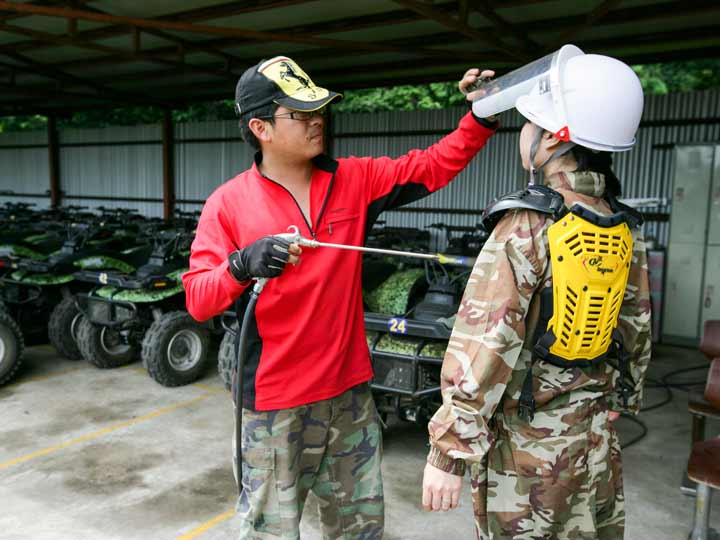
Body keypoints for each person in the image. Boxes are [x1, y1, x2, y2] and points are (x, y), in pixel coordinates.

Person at [182, 55, 498, 539]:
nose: (317, 122)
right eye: (301, 114)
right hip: (273, 406)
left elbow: (432, 166)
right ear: (260, 127)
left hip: (350, 397)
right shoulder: (228, 203)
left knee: (360, 529)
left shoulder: (354, 179)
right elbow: (199, 299)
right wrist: (241, 264)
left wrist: (478, 118)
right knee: (268, 530)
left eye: (319, 111)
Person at [422, 49, 652, 539]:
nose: (523, 135)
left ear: (552, 137)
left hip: (528, 454)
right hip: (594, 440)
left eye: (528, 124)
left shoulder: (527, 223)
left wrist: (449, 450)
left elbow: (486, 342)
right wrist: (623, 395)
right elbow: (636, 325)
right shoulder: (622, 224)